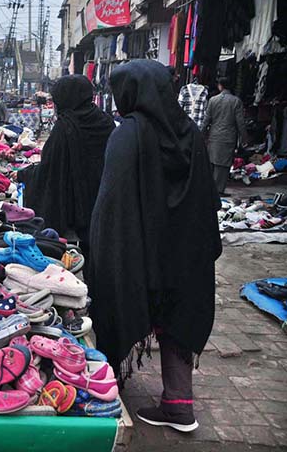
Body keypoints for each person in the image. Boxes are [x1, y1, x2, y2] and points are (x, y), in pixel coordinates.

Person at [88, 60, 221, 433]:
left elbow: (110, 204)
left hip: (141, 250)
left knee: (123, 307)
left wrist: (102, 253)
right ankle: (179, 406)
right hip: (185, 252)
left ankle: (104, 391)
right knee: (177, 320)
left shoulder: (128, 134)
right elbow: (207, 198)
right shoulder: (190, 132)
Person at [14, 75, 115, 264]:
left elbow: (49, 170)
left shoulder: (65, 126)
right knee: (99, 254)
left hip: (75, 206)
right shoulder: (105, 121)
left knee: (78, 258)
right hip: (103, 200)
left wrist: (23, 174)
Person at [200, 77, 246, 195]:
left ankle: (209, 189)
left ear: (220, 86)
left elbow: (206, 120)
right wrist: (244, 139)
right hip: (228, 137)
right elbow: (240, 122)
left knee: (213, 163)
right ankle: (218, 190)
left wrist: (201, 133)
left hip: (214, 136)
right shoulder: (236, 101)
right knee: (223, 165)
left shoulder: (213, 100)